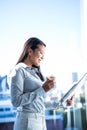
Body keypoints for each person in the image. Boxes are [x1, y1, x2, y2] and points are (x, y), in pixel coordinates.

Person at [9, 37, 74, 130]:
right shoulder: (18, 70)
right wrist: (42, 89)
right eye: (41, 53)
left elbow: (41, 103)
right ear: (30, 51)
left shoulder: (35, 72)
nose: (43, 57)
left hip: (40, 121)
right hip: (27, 123)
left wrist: (63, 103)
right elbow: (16, 101)